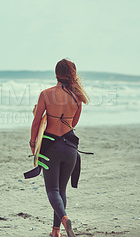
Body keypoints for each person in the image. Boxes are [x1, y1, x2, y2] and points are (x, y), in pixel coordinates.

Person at [29, 59, 89, 237]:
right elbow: (74, 123)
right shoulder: (78, 97)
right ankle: (56, 231)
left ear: (56, 73)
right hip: (70, 148)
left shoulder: (46, 94)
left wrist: (33, 144)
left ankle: (64, 220)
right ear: (73, 74)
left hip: (50, 148)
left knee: (52, 190)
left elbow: (37, 122)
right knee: (62, 190)